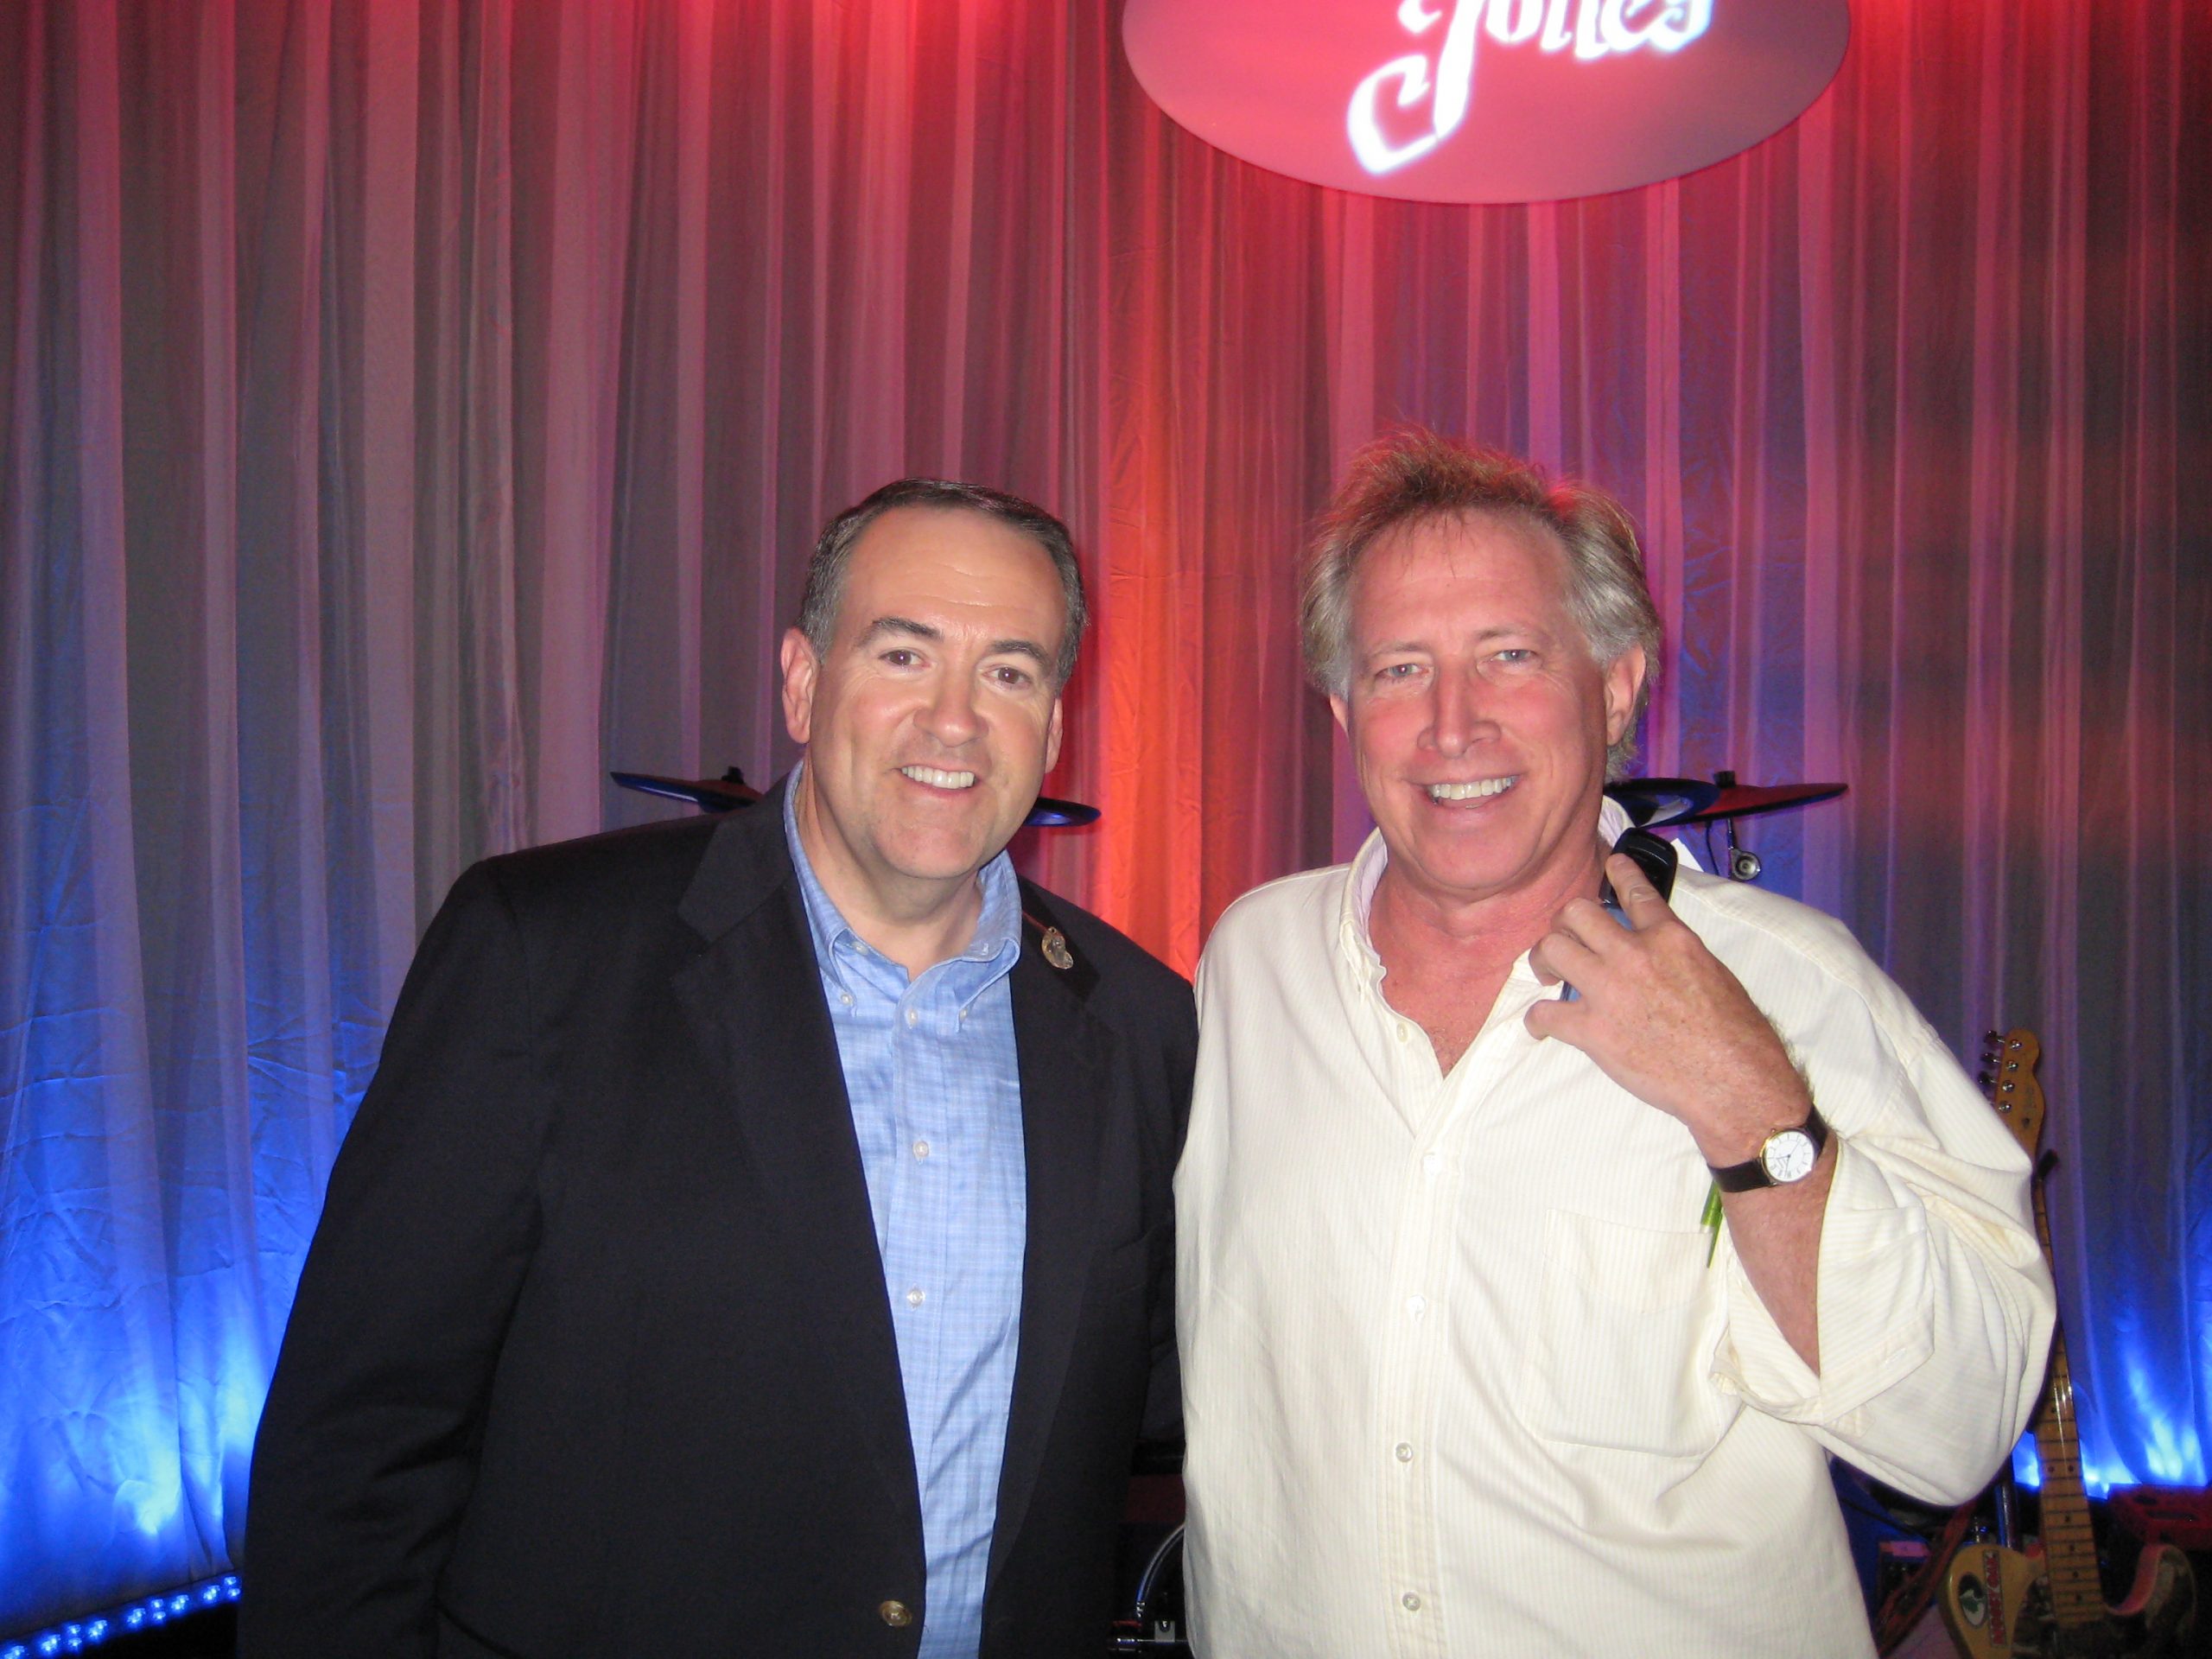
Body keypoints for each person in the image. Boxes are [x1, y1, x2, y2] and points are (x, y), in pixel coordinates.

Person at [241, 480, 1195, 1658]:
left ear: (1052, 729)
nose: (954, 720)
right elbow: (361, 1439)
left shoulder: (1143, 1023)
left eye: (1008, 672)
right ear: (802, 682)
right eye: (904, 654)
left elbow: (1168, 1393)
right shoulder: (543, 952)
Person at [1174, 430, 2055, 1657]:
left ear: (1617, 684)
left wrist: (1748, 1103)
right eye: (1399, 670)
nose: (1452, 724)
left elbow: (1954, 1427)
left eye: (1511, 656)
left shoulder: (1790, 982)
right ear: (1343, 710)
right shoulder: (1250, 967)